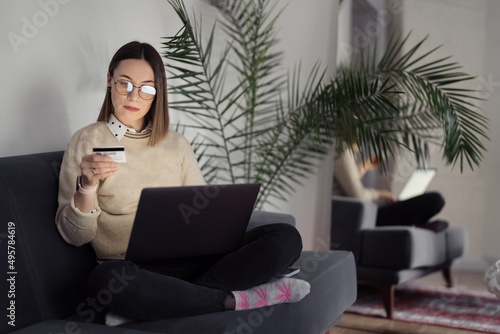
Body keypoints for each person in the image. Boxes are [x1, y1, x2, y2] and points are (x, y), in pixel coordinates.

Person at [56, 41, 310, 325]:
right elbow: (74, 236)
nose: (133, 96)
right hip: (132, 270)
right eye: (124, 84)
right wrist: (86, 186)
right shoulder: (87, 140)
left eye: (146, 88)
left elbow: (203, 214)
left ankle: (162, 304)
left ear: (157, 92)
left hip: (193, 260)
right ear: (109, 81)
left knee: (285, 237)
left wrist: (219, 228)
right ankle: (238, 299)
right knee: (105, 281)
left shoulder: (176, 144)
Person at [332, 146, 448, 231]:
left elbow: (347, 185)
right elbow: (358, 195)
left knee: (409, 205)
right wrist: (382, 194)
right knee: (436, 200)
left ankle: (419, 224)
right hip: (360, 217)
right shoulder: (342, 150)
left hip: (362, 213)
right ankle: (419, 225)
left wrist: (363, 167)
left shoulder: (344, 150)